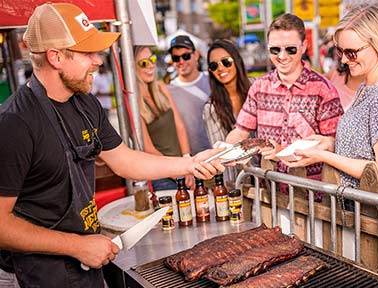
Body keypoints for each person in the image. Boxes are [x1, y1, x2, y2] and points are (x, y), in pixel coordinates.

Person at [0, 3, 225, 287]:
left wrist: (190, 163)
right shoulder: (14, 123)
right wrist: (76, 246)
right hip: (47, 273)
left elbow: (124, 160)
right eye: (87, 53)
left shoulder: (85, 104)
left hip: (91, 258)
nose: (97, 60)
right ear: (55, 57)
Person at [284, 4, 378, 224]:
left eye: (351, 52)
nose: (344, 60)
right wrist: (330, 143)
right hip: (366, 219)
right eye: (341, 51)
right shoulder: (368, 87)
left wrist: (324, 156)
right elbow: (367, 149)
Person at [225, 13, 344, 202]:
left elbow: (336, 143)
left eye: (290, 49)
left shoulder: (323, 89)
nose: (282, 56)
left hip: (314, 198)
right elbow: (240, 131)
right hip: (269, 194)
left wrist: (283, 151)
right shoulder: (259, 87)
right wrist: (225, 149)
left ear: (304, 46)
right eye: (275, 50)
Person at [133, 45, 193, 191]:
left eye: (152, 59)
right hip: (161, 174)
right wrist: (178, 171)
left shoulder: (161, 87)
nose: (151, 65)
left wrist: (187, 161)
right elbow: (148, 148)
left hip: (183, 168)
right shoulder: (133, 102)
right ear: (132, 68)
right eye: (144, 63)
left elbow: (180, 126)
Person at [203, 39, 252, 184]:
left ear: (236, 61)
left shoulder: (256, 88)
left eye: (226, 61)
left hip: (269, 176)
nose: (221, 68)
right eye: (214, 65)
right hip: (237, 182)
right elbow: (223, 154)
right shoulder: (211, 108)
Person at [167, 35, 212, 155]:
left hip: (220, 154)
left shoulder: (212, 80)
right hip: (193, 161)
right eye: (176, 58)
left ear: (196, 55)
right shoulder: (168, 91)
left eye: (186, 56)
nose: (181, 62)